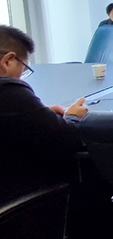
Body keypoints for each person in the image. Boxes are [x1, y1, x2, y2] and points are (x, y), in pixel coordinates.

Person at [0, 25, 88, 203]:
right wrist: (73, 116)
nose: (21, 76)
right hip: (16, 204)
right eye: (23, 69)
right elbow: (66, 140)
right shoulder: (8, 90)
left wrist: (38, 114)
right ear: (8, 61)